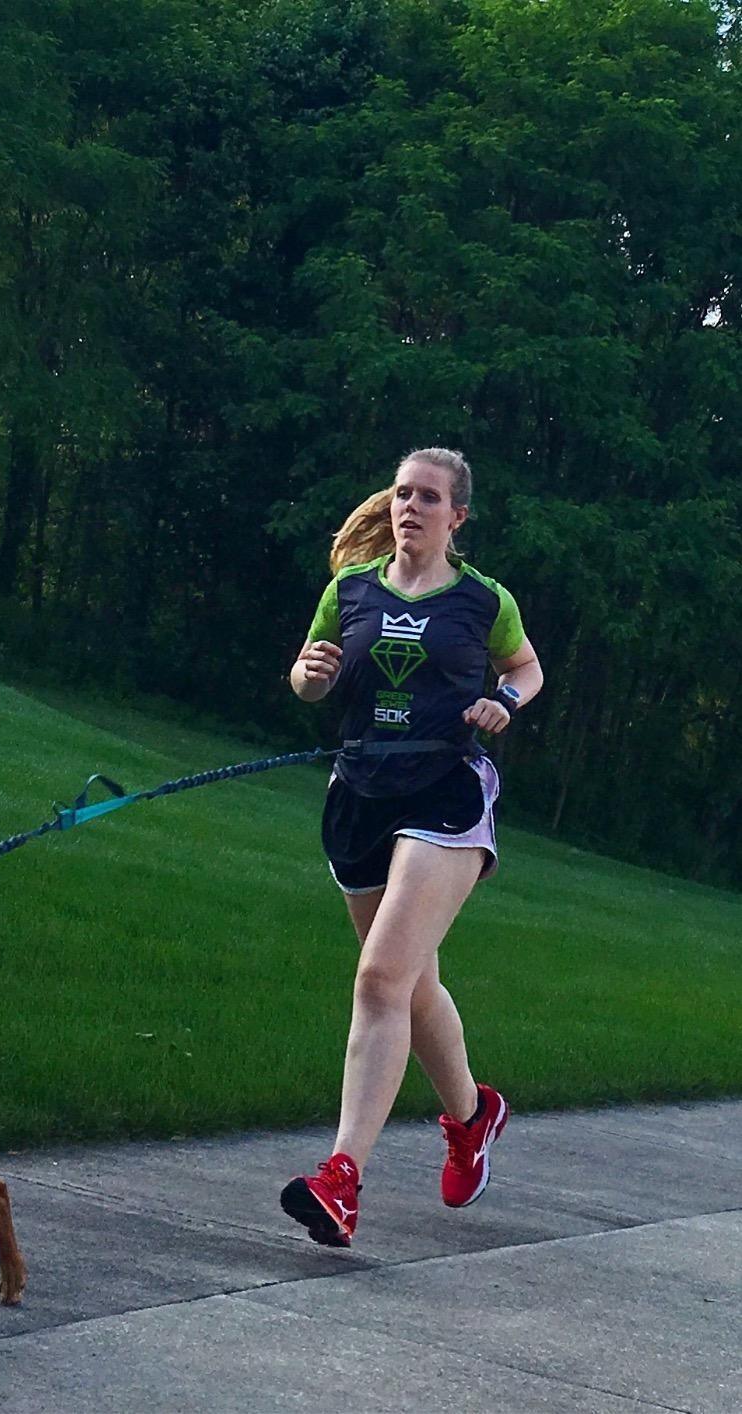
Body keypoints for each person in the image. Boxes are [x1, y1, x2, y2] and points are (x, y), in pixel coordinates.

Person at [279, 447, 543, 1248]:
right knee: (413, 985)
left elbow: (526, 668)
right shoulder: (349, 591)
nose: (411, 507)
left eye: (429, 498)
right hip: (358, 794)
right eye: (403, 494)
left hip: (446, 795)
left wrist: (503, 700)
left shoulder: (482, 600)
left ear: (456, 516)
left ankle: (341, 1179)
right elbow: (310, 679)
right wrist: (310, 673)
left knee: (381, 977)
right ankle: (472, 1116)